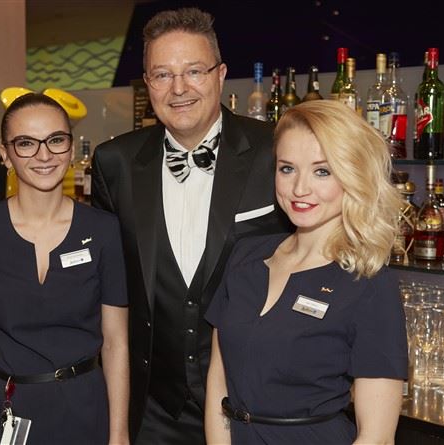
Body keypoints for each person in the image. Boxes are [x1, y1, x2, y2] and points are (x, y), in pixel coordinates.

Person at [91, 7, 289, 444]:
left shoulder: (275, 150)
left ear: (221, 75)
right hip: (153, 412)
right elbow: (110, 290)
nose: (178, 88)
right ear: (147, 84)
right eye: (162, 75)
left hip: (253, 406)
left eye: (194, 71)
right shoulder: (115, 162)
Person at [205, 100, 408, 444]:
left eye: (322, 171)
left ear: (353, 175)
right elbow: (218, 381)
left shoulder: (369, 281)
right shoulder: (246, 256)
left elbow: (377, 437)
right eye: (287, 169)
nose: (300, 189)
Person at [0, 93, 130, 445]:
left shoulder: (103, 230)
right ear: (5, 154)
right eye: (26, 143)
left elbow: (116, 342)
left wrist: (119, 433)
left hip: (85, 408)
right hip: (7, 412)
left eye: (55, 140)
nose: (44, 155)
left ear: (71, 148)